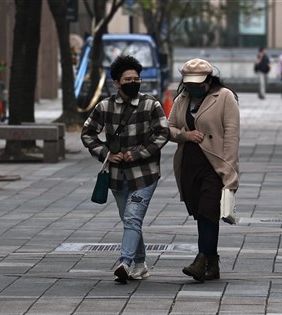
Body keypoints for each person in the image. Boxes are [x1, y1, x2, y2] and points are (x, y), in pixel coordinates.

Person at [81, 55, 170, 284]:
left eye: (137, 78)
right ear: (117, 83)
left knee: (132, 216)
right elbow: (88, 133)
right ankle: (140, 264)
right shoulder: (105, 106)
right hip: (117, 175)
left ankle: (124, 262)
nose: (134, 82)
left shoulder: (151, 104)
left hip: (145, 173)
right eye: (128, 79)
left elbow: (162, 133)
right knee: (130, 219)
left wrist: (139, 152)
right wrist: (106, 154)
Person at [168, 58, 240, 282]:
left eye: (198, 84)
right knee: (200, 213)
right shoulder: (182, 99)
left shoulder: (225, 97)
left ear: (209, 81)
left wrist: (229, 172)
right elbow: (168, 128)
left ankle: (201, 259)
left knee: (209, 209)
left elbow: (231, 135)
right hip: (189, 163)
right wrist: (184, 135)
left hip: (214, 164)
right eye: (189, 84)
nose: (193, 88)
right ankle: (212, 262)